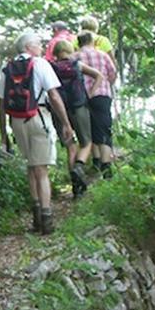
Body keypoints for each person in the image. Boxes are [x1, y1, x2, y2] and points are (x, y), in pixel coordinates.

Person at [0, 32, 74, 235]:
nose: (42, 48)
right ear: (29, 46)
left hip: (17, 121)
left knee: (31, 167)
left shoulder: (7, 68)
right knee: (41, 171)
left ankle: (36, 216)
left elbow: (1, 103)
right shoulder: (40, 64)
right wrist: (66, 123)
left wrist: (4, 135)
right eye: (39, 44)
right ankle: (47, 220)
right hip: (39, 117)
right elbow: (54, 95)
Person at [50, 39, 105, 199]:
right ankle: (79, 167)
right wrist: (91, 93)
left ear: (55, 53)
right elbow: (99, 76)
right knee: (86, 142)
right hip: (79, 106)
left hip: (59, 111)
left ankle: (76, 188)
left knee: (70, 147)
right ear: (69, 49)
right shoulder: (77, 65)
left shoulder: (51, 68)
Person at [76, 31, 117, 178]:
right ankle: (106, 167)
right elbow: (112, 73)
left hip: (82, 98)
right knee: (105, 129)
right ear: (92, 41)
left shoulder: (75, 57)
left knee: (91, 130)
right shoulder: (103, 55)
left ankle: (96, 162)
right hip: (102, 95)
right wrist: (107, 84)